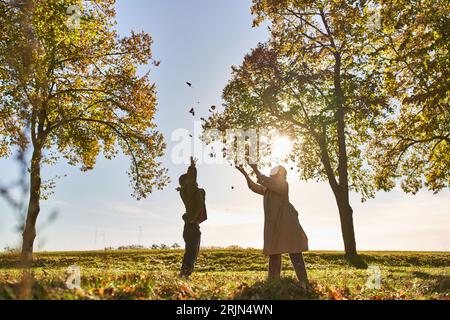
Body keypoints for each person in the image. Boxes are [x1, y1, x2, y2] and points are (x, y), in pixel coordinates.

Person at [236, 163, 309, 287]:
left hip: (288, 223)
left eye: (276, 169)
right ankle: (273, 282)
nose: (273, 170)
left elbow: (265, 181)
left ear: (281, 174)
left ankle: (304, 281)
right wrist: (245, 174)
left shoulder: (282, 184)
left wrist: (255, 169)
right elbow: (254, 186)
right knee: (274, 252)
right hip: (276, 224)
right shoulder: (268, 189)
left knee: (294, 251)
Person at [177, 157, 207, 278]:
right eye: (190, 180)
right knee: (191, 252)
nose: (194, 181)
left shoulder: (189, 192)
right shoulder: (190, 189)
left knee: (191, 252)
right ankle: (184, 274)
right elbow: (192, 182)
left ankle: (184, 273)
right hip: (191, 226)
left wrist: (182, 189)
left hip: (191, 226)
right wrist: (192, 168)